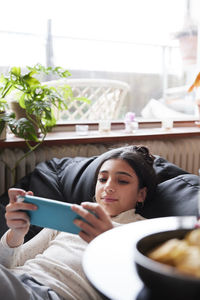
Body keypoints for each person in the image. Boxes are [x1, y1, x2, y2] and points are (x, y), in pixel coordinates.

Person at [0, 145, 157, 300]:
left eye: (122, 181)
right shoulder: (70, 216)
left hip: (51, 294)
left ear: (141, 194)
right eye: (102, 179)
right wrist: (16, 234)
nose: (108, 187)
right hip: (18, 281)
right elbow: (8, 265)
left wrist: (107, 244)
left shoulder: (144, 232)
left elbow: (138, 287)